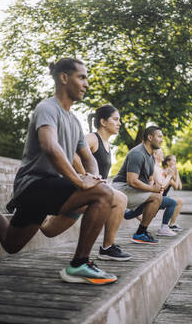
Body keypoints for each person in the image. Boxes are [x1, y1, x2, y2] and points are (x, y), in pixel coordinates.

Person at [0, 57, 118, 285]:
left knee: (10, 245)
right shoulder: (47, 108)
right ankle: (79, 264)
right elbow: (50, 147)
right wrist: (80, 182)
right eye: (81, 77)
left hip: (48, 188)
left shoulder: (74, 121)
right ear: (64, 78)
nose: (86, 84)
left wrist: (93, 176)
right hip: (33, 185)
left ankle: (79, 262)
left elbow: (88, 157)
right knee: (103, 194)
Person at [44, 104, 132, 261]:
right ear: (103, 122)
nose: (119, 123)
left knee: (48, 230)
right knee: (120, 199)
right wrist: (86, 176)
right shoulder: (92, 138)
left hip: (90, 195)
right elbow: (70, 152)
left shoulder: (107, 145)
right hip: (79, 191)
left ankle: (30, 208)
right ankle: (107, 248)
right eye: (116, 119)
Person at [112, 126, 164, 244]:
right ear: (150, 137)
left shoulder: (150, 156)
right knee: (157, 198)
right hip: (120, 188)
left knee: (158, 198)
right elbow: (132, 181)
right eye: (159, 136)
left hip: (131, 189)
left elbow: (149, 179)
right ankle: (140, 233)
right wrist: (152, 189)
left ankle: (133, 219)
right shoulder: (137, 153)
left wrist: (156, 186)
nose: (162, 139)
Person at [162, 154, 184, 231]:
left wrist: (176, 174)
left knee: (180, 201)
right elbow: (175, 186)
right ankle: (170, 224)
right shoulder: (167, 172)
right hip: (159, 196)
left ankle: (172, 224)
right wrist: (176, 173)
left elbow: (179, 187)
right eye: (174, 160)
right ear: (168, 162)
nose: (175, 162)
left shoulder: (172, 172)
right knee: (179, 201)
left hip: (163, 196)